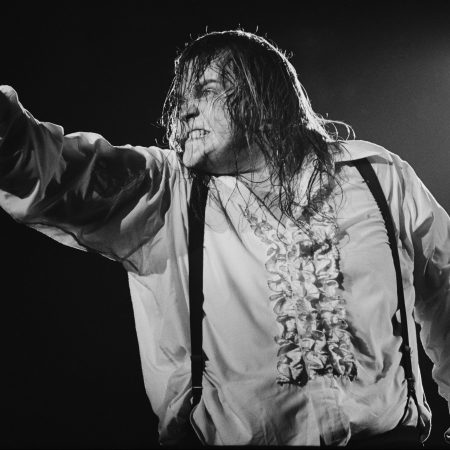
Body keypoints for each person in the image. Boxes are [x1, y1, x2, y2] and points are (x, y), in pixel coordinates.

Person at [0, 29, 449, 447]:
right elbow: (54, 174)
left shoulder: (376, 176)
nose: (183, 109)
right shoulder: (165, 191)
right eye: (179, 97)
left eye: (206, 90)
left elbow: (446, 291)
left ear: (265, 95)